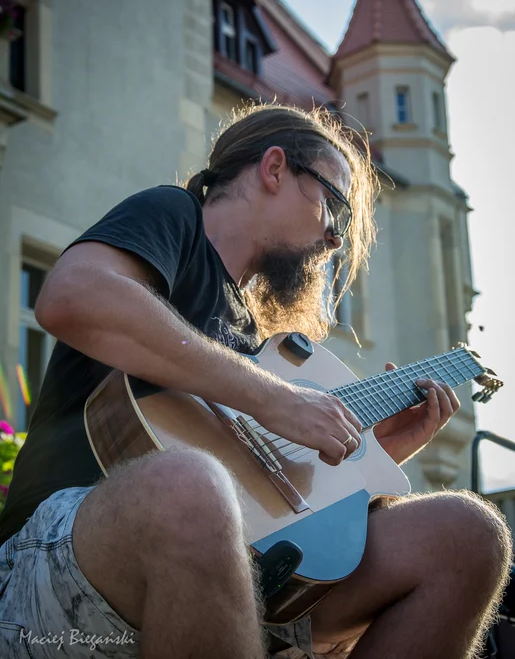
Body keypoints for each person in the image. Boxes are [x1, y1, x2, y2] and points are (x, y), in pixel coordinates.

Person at [0, 105, 511, 659]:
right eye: (334, 208)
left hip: (246, 576)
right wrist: (275, 399)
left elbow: (268, 504)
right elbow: (72, 296)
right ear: (273, 169)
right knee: (190, 482)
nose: (336, 241)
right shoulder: (175, 217)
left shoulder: (256, 340)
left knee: (468, 533)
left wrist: (372, 457)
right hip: (58, 554)